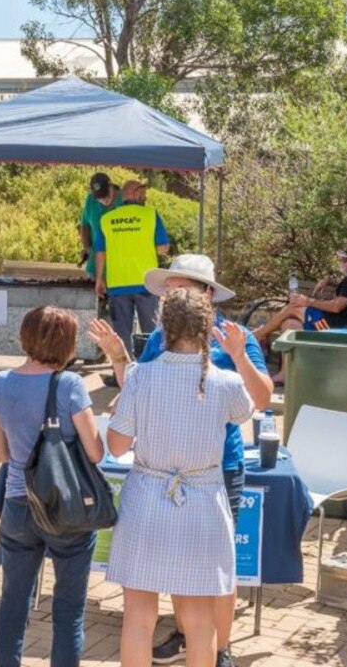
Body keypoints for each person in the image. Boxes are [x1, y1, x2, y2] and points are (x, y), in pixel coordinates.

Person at [89, 254, 272, 666]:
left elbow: (120, 441)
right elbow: (247, 411)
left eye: (177, 286)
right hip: (202, 494)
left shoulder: (233, 341)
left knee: (139, 617)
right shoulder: (221, 381)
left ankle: (221, 654)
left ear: (206, 293)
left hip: (155, 493)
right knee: (198, 616)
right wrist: (122, 361)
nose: (170, 291)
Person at [0, 305, 104, 667]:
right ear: (66, 345)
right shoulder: (70, 385)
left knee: (12, 603)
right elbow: (96, 452)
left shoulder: (0, 382)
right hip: (66, 509)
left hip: (18, 504)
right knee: (68, 610)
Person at [94, 180, 170, 358]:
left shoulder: (107, 219)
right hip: (146, 284)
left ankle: (122, 373)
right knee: (151, 333)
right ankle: (151, 369)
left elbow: (100, 252)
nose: (145, 195)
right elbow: (162, 248)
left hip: (118, 285)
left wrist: (99, 279)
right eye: (143, 192)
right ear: (134, 193)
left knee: (121, 334)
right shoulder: (150, 214)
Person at [254, 244, 347, 342]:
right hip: (339, 324)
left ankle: (258, 336)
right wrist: (330, 280)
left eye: (346, 260)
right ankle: (285, 373)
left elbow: (336, 307)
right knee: (289, 325)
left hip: (333, 327)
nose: (343, 263)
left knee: (292, 308)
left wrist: (307, 301)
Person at [79, 172, 118, 281]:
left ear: (111, 187)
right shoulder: (91, 199)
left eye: (106, 194)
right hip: (95, 266)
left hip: (119, 269)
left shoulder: (125, 201)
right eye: (99, 197)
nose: (103, 199)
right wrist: (86, 246)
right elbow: (84, 225)